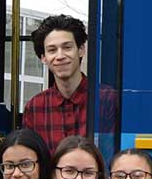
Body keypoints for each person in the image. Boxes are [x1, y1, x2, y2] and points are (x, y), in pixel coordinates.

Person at [21, 14, 118, 145]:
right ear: (43, 58)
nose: (60, 56)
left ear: (81, 50)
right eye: (52, 50)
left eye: (67, 47)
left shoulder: (107, 99)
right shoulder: (34, 107)